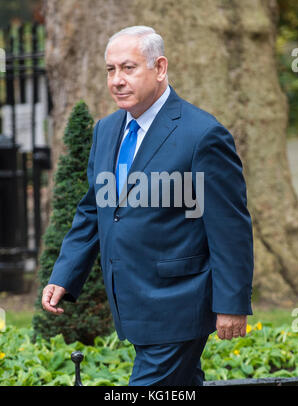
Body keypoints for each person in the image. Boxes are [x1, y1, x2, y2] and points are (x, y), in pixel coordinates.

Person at [42, 26, 254, 386]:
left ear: (159, 68)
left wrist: (232, 303)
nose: (117, 80)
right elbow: (95, 209)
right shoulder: (106, 130)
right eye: (110, 70)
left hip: (180, 302)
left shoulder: (203, 134)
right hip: (131, 300)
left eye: (128, 68)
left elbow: (229, 226)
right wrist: (65, 273)